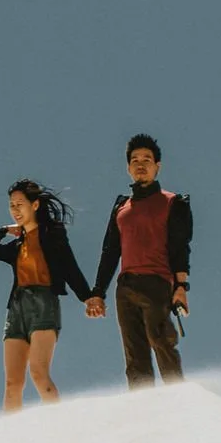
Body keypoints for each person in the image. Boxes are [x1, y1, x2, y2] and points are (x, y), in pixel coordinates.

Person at [86, 134, 192, 388]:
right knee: (135, 356)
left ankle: (178, 399)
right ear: (128, 167)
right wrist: (98, 292)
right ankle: (143, 410)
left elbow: (180, 249)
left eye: (147, 159)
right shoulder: (122, 206)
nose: (140, 164)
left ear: (158, 166)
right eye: (134, 160)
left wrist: (181, 288)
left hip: (157, 282)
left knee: (161, 340)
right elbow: (110, 251)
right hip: (125, 288)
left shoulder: (173, 202)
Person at [0, 179, 93, 411]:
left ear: (35, 205)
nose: (15, 210)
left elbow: (69, 266)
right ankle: (10, 438)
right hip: (16, 308)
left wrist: (88, 297)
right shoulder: (17, 246)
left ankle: (58, 425)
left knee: (39, 373)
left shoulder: (51, 234)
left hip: (44, 303)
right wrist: (2, 231)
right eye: (12, 205)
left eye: (20, 204)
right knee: (12, 383)